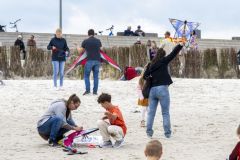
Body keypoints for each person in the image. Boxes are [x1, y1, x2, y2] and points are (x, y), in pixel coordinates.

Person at [143, 43, 184, 138]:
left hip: (152, 90)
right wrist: (180, 45)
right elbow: (173, 53)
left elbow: (144, 76)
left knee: (151, 113)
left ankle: (149, 133)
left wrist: (151, 76)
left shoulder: (150, 64)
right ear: (163, 55)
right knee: (165, 112)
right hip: (162, 89)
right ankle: (167, 134)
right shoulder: (164, 61)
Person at [77, 29, 102, 95]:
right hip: (97, 60)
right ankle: (95, 92)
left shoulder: (85, 41)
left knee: (86, 76)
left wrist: (77, 46)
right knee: (96, 77)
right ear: (94, 34)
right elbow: (100, 50)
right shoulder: (98, 41)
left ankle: (88, 91)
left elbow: (80, 51)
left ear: (88, 34)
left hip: (89, 60)